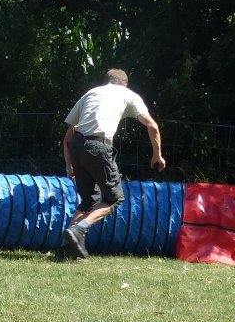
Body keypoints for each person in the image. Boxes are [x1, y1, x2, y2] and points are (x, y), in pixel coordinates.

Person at [58, 68, 166, 260]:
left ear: (107, 81)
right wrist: (157, 155)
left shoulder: (90, 93)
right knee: (114, 199)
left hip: (76, 146)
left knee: (87, 202)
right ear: (125, 84)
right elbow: (152, 126)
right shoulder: (128, 94)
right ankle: (79, 230)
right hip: (97, 146)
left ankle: (65, 250)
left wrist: (69, 166)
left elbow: (67, 138)